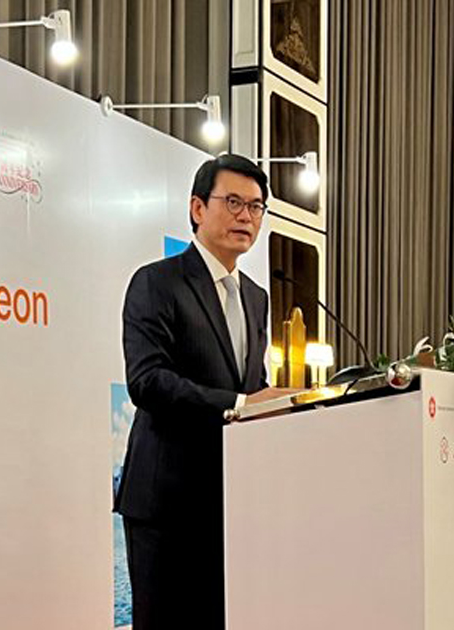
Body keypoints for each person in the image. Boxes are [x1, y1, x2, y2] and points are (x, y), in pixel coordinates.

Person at [114, 153, 297, 630]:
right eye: (233, 202)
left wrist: (284, 405)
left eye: (256, 207)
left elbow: (250, 386)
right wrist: (240, 405)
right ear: (197, 208)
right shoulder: (156, 282)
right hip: (167, 503)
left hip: (232, 500)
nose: (246, 216)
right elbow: (147, 381)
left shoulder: (256, 296)